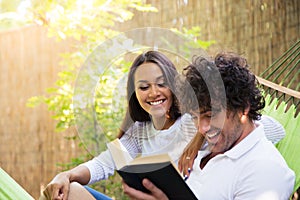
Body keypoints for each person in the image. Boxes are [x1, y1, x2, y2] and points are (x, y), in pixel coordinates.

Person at [40, 51, 287, 200]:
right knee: (67, 191)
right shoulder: (138, 134)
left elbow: (270, 128)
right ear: (134, 94)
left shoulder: (192, 123)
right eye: (144, 87)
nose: (153, 93)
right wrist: (67, 174)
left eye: (161, 83)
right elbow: (105, 163)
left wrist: (196, 141)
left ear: (174, 87)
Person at [122, 52, 295, 200]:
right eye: (196, 117)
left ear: (242, 107)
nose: (202, 129)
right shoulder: (210, 149)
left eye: (210, 116)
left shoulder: (265, 171)